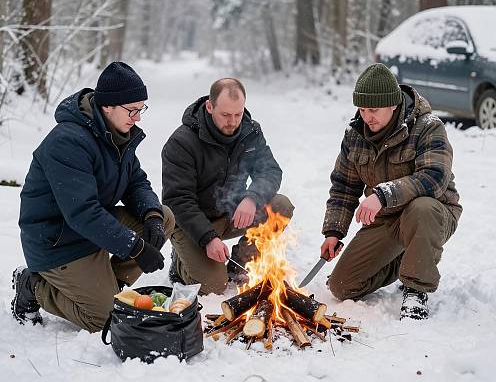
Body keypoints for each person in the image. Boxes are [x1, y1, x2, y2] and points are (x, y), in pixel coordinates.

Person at [13, 62, 174, 332]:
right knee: (105, 320)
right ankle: (33, 285)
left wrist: (152, 216)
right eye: (132, 110)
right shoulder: (68, 141)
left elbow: (137, 183)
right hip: (57, 240)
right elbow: (82, 212)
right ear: (107, 106)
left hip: (91, 229)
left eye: (141, 109)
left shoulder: (118, 134)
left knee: (164, 216)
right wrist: (135, 247)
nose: (138, 118)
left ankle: (111, 287)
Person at [320, 63, 462, 320]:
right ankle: (410, 257)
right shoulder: (355, 134)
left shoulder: (428, 126)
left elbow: (434, 178)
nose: (367, 116)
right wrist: (334, 231)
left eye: (373, 109)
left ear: (393, 105)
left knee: (422, 208)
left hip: (433, 213)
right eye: (362, 109)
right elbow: (343, 186)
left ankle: (416, 288)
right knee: (342, 286)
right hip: (387, 218)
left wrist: (383, 195)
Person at [162, 78, 294, 295]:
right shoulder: (181, 143)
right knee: (213, 287)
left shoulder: (250, 131)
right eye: (225, 115)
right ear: (210, 106)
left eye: (238, 114)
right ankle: (180, 262)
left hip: (231, 212)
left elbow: (270, 171)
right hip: (191, 223)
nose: (233, 122)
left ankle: (241, 261)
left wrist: (252, 198)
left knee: (280, 205)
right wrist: (208, 238)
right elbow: (177, 201)